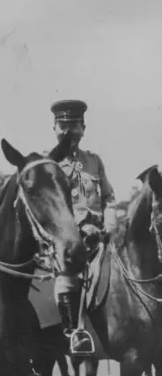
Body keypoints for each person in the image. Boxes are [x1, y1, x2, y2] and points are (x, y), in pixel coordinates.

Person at [50, 99, 116, 356]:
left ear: (83, 128)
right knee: (66, 277)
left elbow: (109, 197)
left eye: (74, 126)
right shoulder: (50, 163)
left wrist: (110, 222)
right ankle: (73, 334)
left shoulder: (94, 161)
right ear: (54, 129)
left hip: (99, 234)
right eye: (63, 126)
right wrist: (74, 229)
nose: (69, 132)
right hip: (68, 238)